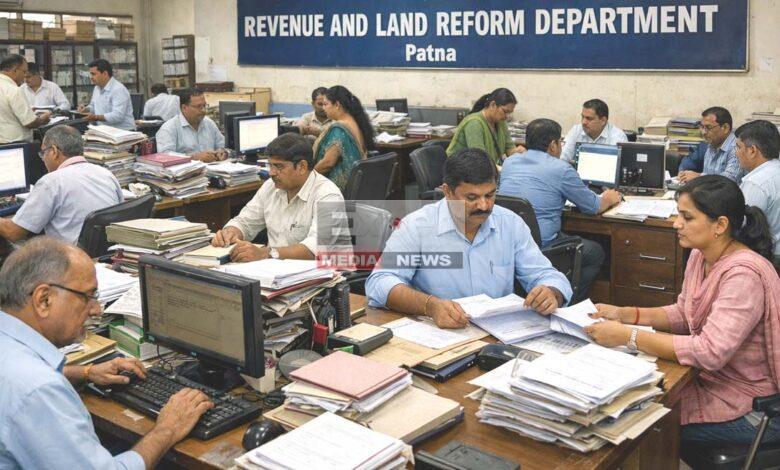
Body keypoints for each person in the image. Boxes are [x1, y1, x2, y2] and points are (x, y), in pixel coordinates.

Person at [584, 175, 780, 447]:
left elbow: (709, 352)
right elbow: (683, 314)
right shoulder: (702, 254)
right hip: (711, 382)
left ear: (720, 225)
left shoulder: (743, 276)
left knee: (634, 426)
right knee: (621, 406)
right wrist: (625, 313)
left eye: (687, 218)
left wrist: (627, 336)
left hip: (750, 406)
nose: (676, 224)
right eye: (678, 215)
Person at [0, 237, 213, 469]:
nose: (97, 310)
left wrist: (84, 372)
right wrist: (167, 429)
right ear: (44, 299)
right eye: (87, 296)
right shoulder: (39, 389)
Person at [366, 148, 572, 329]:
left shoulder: (510, 223)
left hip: (497, 334)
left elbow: (548, 275)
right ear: (447, 191)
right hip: (439, 334)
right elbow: (380, 283)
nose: (483, 206)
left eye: (490, 195)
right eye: (471, 198)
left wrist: (552, 293)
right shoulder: (417, 226)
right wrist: (430, 305)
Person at [499, 119, 622, 302]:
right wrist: (610, 198)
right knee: (595, 252)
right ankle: (567, 304)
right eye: (560, 143)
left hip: (507, 242)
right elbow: (593, 207)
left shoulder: (510, 162)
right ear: (553, 145)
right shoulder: (561, 169)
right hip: (542, 244)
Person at [212, 133, 346, 262]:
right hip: (274, 272)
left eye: (279, 166)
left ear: (302, 166)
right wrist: (230, 232)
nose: (271, 173)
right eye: (270, 165)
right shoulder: (271, 186)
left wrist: (267, 253)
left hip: (317, 276)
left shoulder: (328, 195)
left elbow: (316, 249)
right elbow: (245, 222)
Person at [0, 125, 123, 243]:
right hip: (105, 256)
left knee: (13, 246)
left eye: (43, 153)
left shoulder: (51, 182)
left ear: (54, 151)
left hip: (68, 259)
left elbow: (13, 233)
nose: (43, 159)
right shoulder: (106, 174)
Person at [313, 85, 373, 191]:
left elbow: (328, 163)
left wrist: (308, 179)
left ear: (337, 105)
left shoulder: (339, 128)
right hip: (356, 186)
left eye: (326, 104)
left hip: (337, 191)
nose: (323, 108)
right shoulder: (355, 122)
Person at [736, 119, 780, 259]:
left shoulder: (755, 183)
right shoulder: (776, 169)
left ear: (752, 150)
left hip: (768, 257)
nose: (736, 153)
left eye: (738, 147)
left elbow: (741, 225)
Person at [446, 88, 525, 165]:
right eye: (505, 111)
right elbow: (479, 159)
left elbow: (509, 148)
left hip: (488, 169)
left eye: (510, 113)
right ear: (493, 105)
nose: (507, 116)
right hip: (462, 170)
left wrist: (516, 152)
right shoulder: (474, 123)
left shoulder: (501, 122)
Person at [155, 88, 228, 163]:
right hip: (186, 172)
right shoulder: (169, 128)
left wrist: (222, 152)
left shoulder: (208, 123)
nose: (203, 110)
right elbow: (165, 156)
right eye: (198, 106)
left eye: (204, 105)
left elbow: (222, 146)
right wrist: (193, 157)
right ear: (184, 108)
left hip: (213, 170)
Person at [678, 107, 743, 184]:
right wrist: (683, 174)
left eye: (708, 127)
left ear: (725, 128)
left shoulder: (737, 148)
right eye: (702, 127)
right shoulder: (711, 143)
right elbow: (690, 160)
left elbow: (729, 181)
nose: (703, 132)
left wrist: (699, 177)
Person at [0, 54, 50, 143]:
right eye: (24, 72)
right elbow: (30, 122)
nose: (25, 77)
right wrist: (43, 119)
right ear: (15, 70)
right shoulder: (14, 90)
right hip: (16, 144)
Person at [560, 99, 627, 164]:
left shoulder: (618, 136)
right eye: (582, 117)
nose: (584, 122)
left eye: (589, 118)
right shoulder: (576, 130)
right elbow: (562, 157)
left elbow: (616, 166)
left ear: (603, 121)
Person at [77, 59, 135, 131]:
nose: (91, 77)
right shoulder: (97, 88)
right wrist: (86, 109)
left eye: (93, 74)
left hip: (123, 132)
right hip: (105, 131)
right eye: (90, 74)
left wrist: (96, 117)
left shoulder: (118, 89)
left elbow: (118, 116)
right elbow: (93, 106)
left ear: (105, 74)